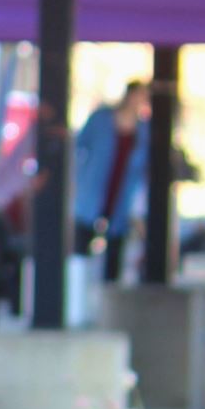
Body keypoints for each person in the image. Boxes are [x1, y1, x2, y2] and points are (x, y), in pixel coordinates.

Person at [72, 81, 150, 284]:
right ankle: (78, 299)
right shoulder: (101, 119)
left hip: (121, 196)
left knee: (114, 251)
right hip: (93, 192)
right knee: (80, 250)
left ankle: (108, 294)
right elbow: (79, 147)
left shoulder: (143, 130)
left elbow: (142, 169)